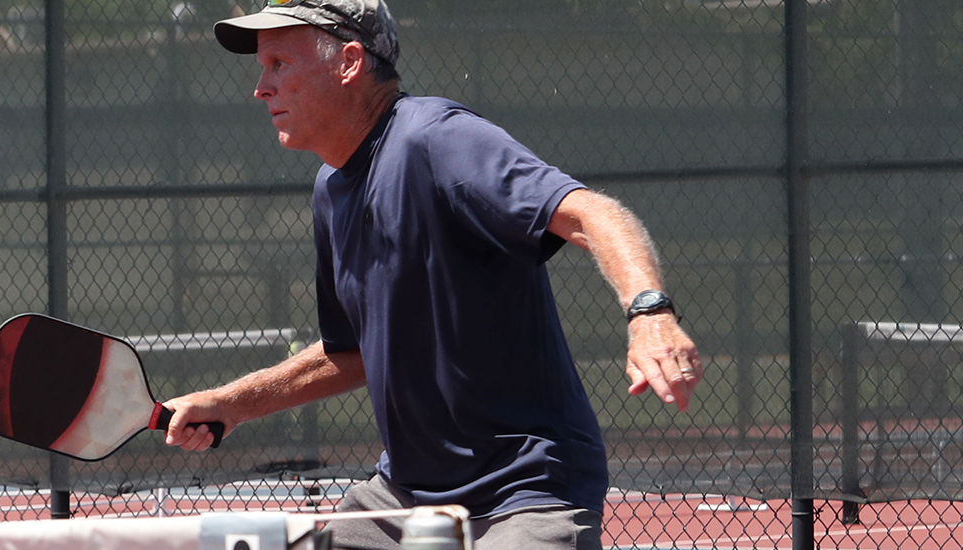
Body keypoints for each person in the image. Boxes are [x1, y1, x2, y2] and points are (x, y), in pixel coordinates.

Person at [159, 2, 702, 549]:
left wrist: (649, 310)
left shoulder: (438, 140)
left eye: (278, 63)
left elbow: (592, 213)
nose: (261, 87)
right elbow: (351, 354)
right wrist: (232, 402)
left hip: (522, 493)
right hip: (402, 496)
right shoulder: (331, 188)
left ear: (349, 63)